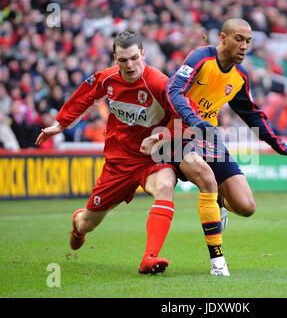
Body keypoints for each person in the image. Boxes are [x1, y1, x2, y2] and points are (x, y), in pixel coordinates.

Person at [36, 30, 229, 277]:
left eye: (134, 58)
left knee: (165, 185)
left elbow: (189, 118)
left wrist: (160, 138)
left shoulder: (160, 84)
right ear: (115, 59)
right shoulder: (107, 79)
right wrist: (60, 124)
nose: (129, 65)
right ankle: (78, 226)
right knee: (89, 222)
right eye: (123, 60)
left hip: (151, 159)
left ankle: (149, 258)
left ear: (143, 54)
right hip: (117, 163)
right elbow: (85, 95)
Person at [163, 18, 287, 222]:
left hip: (208, 138)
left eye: (248, 41)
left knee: (246, 207)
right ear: (223, 37)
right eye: (239, 39)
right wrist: (193, 119)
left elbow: (252, 114)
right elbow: (173, 90)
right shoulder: (201, 57)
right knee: (185, 182)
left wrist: (279, 144)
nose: (244, 46)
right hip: (176, 132)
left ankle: (220, 202)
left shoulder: (240, 75)